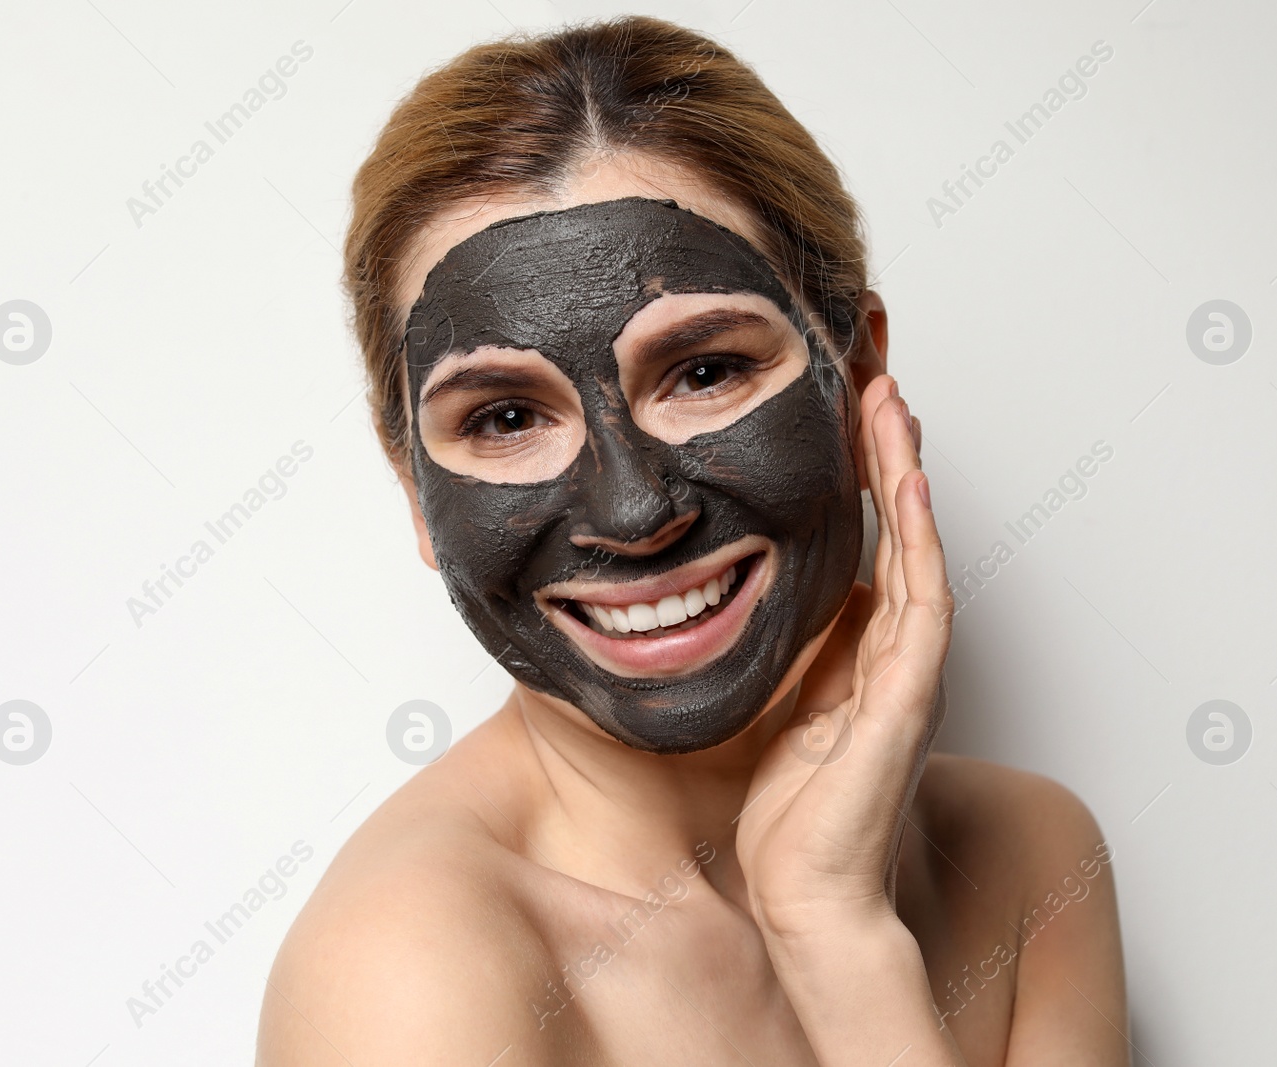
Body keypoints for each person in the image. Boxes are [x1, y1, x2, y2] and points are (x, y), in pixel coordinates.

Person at [258, 16, 1127, 1066]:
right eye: (502, 418)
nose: (632, 511)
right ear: (413, 489)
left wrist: (834, 932)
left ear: (853, 381)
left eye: (705, 369)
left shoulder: (1030, 857)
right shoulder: (404, 971)